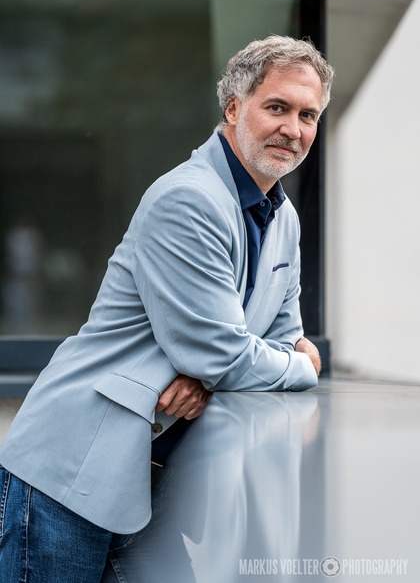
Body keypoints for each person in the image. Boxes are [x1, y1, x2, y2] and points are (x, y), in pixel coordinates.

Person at [0, 35, 334, 582]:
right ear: (234, 108)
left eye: (308, 115)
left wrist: (214, 376)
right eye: (277, 107)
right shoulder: (188, 198)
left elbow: (269, 339)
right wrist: (302, 365)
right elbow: (224, 354)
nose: (293, 129)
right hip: (71, 470)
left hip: (150, 484)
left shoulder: (284, 217)